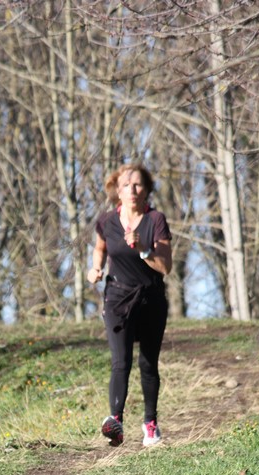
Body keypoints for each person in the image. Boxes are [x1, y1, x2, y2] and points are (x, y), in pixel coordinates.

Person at [87, 163, 172, 447]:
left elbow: (166, 267)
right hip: (117, 298)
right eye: (126, 185)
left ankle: (150, 424)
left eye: (137, 184)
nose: (132, 190)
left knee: (147, 363)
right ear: (117, 191)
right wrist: (96, 268)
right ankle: (116, 422)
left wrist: (144, 249)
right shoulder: (107, 221)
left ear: (146, 189)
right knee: (120, 361)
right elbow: (100, 248)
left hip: (151, 298)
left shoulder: (155, 220)